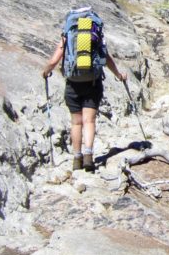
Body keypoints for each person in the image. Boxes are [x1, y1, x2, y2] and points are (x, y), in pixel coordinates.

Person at [41, 9, 126, 171]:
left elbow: (54, 59)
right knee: (89, 121)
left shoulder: (68, 33)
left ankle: (76, 159)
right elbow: (106, 57)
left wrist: (46, 72)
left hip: (73, 83)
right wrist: (119, 75)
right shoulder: (96, 33)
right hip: (92, 83)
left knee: (76, 122)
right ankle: (88, 156)